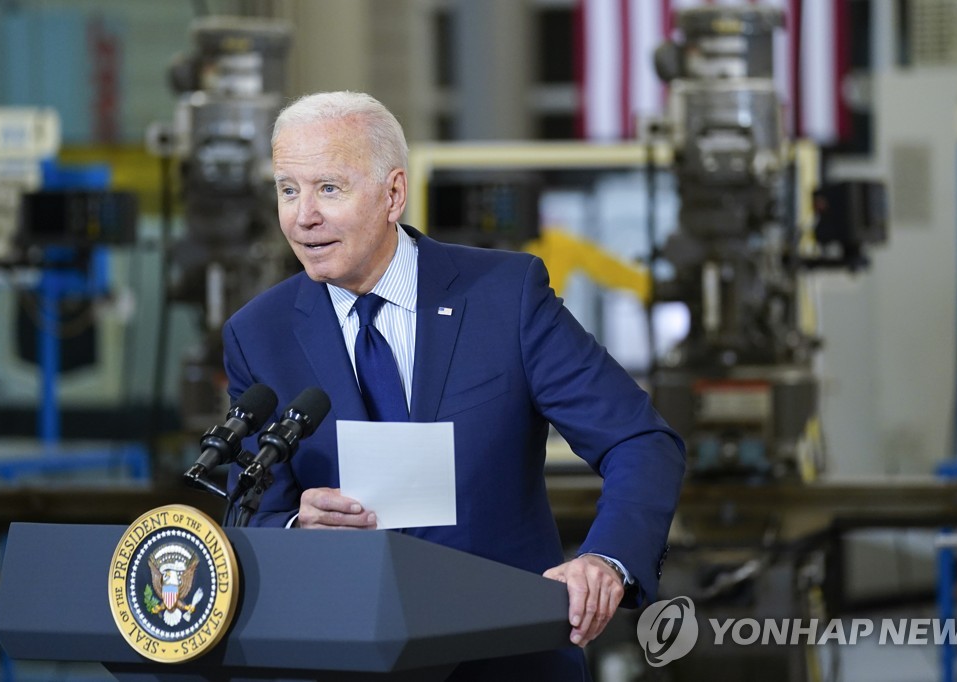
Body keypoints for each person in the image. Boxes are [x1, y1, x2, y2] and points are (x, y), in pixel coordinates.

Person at [222, 90, 685, 680]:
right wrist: (294, 529)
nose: (302, 215)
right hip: (343, 660)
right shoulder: (258, 335)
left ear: (393, 194)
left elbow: (640, 442)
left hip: (506, 659)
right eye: (288, 189)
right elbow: (251, 512)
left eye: (328, 188)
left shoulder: (504, 297)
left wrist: (606, 560)